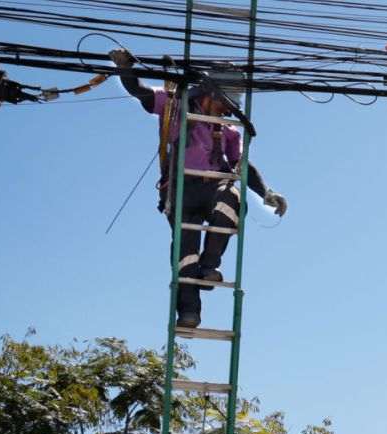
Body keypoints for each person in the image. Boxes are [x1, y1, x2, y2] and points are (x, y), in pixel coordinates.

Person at [109, 48, 287, 328]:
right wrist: (125, 68)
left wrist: (266, 192)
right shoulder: (176, 105)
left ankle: (210, 266)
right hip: (182, 189)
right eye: (226, 102)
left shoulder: (228, 128)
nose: (230, 109)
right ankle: (189, 311)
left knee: (230, 202)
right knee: (184, 253)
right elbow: (141, 93)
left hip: (215, 185)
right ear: (209, 93)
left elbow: (241, 165)